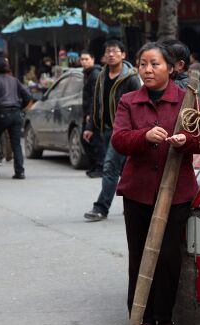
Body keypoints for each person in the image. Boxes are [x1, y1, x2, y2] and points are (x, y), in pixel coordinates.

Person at [111, 42, 200, 325]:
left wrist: (186, 140)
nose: (147, 69)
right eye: (142, 64)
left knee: (169, 256)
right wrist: (144, 136)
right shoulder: (129, 100)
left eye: (154, 64)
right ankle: (140, 316)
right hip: (138, 191)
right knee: (139, 254)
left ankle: (164, 317)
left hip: (176, 191)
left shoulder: (187, 99)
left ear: (172, 67)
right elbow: (118, 140)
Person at [82, 40, 141, 221]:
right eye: (108, 52)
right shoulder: (101, 76)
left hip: (123, 131)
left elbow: (139, 105)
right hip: (106, 129)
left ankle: (101, 207)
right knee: (123, 170)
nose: (111, 55)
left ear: (123, 55)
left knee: (109, 168)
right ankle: (134, 204)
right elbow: (96, 102)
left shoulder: (130, 78)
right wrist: (91, 126)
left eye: (115, 51)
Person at [0, 57, 31, 179]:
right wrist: (20, 107)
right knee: (16, 143)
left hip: (1, 114)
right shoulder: (14, 80)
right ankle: (20, 172)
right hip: (16, 114)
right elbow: (27, 96)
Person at [79, 50, 104, 178]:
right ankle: (94, 166)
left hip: (94, 113)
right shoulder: (87, 74)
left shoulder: (95, 74)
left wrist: (91, 114)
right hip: (88, 112)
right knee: (85, 140)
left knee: (94, 141)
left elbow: (96, 97)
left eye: (86, 59)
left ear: (93, 59)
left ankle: (99, 167)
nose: (84, 62)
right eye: (82, 59)